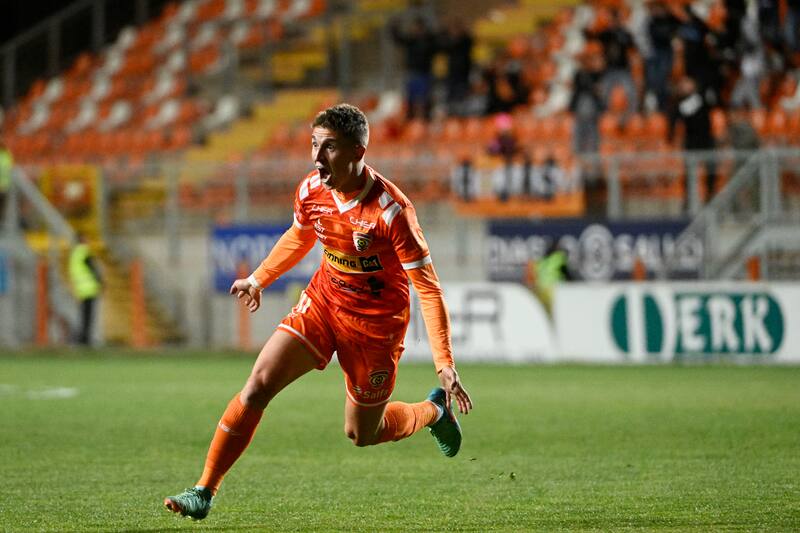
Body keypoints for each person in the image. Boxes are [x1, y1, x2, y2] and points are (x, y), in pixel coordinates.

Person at [163, 104, 473, 520]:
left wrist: (444, 364)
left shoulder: (391, 212)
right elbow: (300, 234)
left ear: (358, 151)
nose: (316, 157)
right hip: (324, 303)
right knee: (257, 385)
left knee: (362, 434)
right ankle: (205, 490)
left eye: (328, 148)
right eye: (313, 145)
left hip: (375, 327)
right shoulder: (311, 190)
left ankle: (433, 411)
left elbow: (429, 291)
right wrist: (259, 278)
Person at [68, 232, 102, 345]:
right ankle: (86, 340)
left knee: (82, 316)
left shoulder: (74, 254)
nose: (88, 241)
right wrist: (100, 281)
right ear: (82, 240)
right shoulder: (84, 252)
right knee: (88, 316)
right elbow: (92, 269)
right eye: (86, 239)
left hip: (80, 289)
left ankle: (81, 339)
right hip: (89, 288)